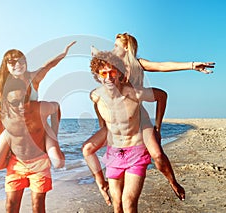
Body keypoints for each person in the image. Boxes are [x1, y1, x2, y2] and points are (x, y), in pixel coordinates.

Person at [83, 33, 215, 206]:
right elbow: (98, 94)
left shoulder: (138, 64)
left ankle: (173, 182)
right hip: (119, 119)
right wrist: (103, 125)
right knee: (89, 149)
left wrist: (191, 65)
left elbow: (162, 66)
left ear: (126, 48)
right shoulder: (111, 66)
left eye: (117, 46)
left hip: (139, 116)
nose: (113, 48)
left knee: (157, 155)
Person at [87, 51, 171, 212]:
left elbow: (161, 95)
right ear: (97, 76)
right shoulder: (95, 96)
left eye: (112, 71)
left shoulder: (134, 93)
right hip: (114, 153)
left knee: (128, 202)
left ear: (119, 72)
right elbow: (97, 104)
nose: (108, 77)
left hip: (136, 151)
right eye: (103, 73)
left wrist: (157, 126)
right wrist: (102, 125)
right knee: (117, 204)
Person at [0, 41, 75, 169]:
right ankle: (17, 166)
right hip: (14, 127)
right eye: (12, 62)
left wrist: (63, 53)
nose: (18, 65)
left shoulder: (33, 78)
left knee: (58, 163)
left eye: (22, 61)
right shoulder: (1, 79)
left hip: (37, 124)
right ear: (5, 65)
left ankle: (50, 148)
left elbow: (49, 65)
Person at [0, 76, 60, 213]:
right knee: (11, 206)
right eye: (15, 102)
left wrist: (54, 135)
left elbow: (56, 108)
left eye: (24, 100)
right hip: (16, 163)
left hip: (39, 162)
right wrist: (4, 146)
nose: (21, 106)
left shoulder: (40, 108)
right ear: (6, 102)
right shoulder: (1, 112)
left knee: (38, 206)